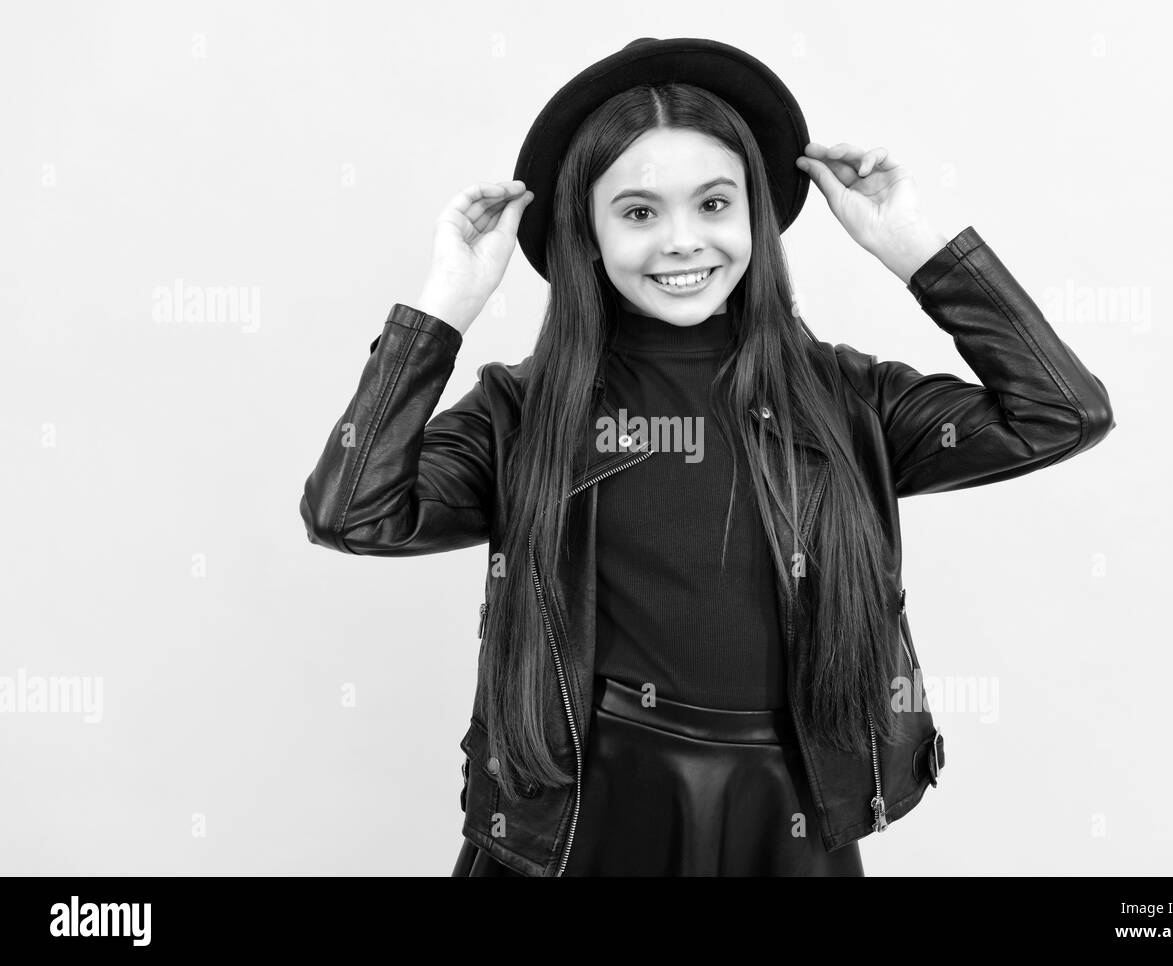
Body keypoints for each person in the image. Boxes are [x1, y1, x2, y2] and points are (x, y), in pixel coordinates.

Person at [299, 38, 1116, 877]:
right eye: (640, 212)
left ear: (754, 216)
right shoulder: (523, 413)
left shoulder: (846, 399)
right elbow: (352, 512)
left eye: (715, 204)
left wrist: (913, 246)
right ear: (589, 231)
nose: (684, 242)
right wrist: (443, 310)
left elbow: (1061, 414)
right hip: (584, 820)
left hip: (787, 817)